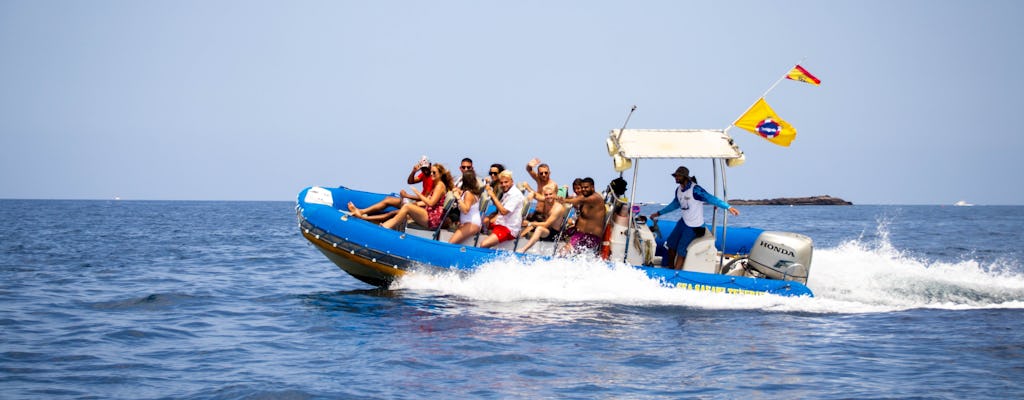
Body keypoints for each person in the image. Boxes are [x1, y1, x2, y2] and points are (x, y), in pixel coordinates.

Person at [650, 166, 740, 270]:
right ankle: (670, 269)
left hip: (694, 225)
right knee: (670, 244)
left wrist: (728, 207)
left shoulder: (696, 190)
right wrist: (658, 213)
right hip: (683, 222)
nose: (676, 177)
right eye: (675, 175)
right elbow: (675, 204)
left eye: (678, 175)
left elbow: (711, 198)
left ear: (685, 177)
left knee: (681, 249)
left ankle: (676, 272)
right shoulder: (678, 190)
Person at [348, 157, 434, 220]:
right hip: (415, 202)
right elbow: (410, 181)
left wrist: (407, 196)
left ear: (430, 166)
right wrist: (414, 171)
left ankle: (363, 218)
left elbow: (425, 198)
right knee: (388, 199)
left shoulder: (432, 178)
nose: (424, 171)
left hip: (421, 206)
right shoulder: (424, 174)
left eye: (426, 168)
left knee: (392, 213)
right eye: (422, 169)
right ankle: (362, 211)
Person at [379, 164, 454, 231]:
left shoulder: (440, 186)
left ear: (440, 174)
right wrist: (416, 204)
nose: (431, 174)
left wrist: (418, 193)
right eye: (431, 172)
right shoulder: (437, 185)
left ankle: (386, 227)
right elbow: (428, 200)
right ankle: (389, 227)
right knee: (408, 207)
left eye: (434, 172)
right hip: (430, 214)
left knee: (407, 207)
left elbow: (431, 203)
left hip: (433, 219)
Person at [558, 177, 606, 256]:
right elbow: (576, 199)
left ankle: (556, 262)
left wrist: (564, 200)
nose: (584, 189)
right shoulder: (585, 197)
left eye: (586, 187)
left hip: (590, 236)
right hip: (581, 234)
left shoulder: (595, 198)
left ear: (592, 187)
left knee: (565, 249)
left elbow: (579, 200)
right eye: (582, 187)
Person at [478, 170, 525, 249]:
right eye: (502, 182)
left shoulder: (515, 195)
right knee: (482, 221)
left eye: (506, 182)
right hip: (501, 224)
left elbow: (503, 211)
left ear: (512, 181)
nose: (503, 185)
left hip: (508, 229)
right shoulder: (507, 192)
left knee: (483, 244)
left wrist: (493, 195)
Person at [517, 185, 568, 253]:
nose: (548, 196)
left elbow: (546, 224)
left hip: (553, 234)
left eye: (550, 194)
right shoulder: (546, 200)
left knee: (539, 228)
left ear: (555, 195)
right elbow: (536, 195)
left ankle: (523, 249)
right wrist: (532, 194)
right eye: (546, 195)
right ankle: (516, 241)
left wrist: (529, 223)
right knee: (525, 223)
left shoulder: (558, 208)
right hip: (547, 229)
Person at [448, 171, 483, 244]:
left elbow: (466, 210)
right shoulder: (470, 192)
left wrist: (458, 197)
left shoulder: (468, 194)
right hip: (468, 223)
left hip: (471, 224)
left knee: (451, 243)